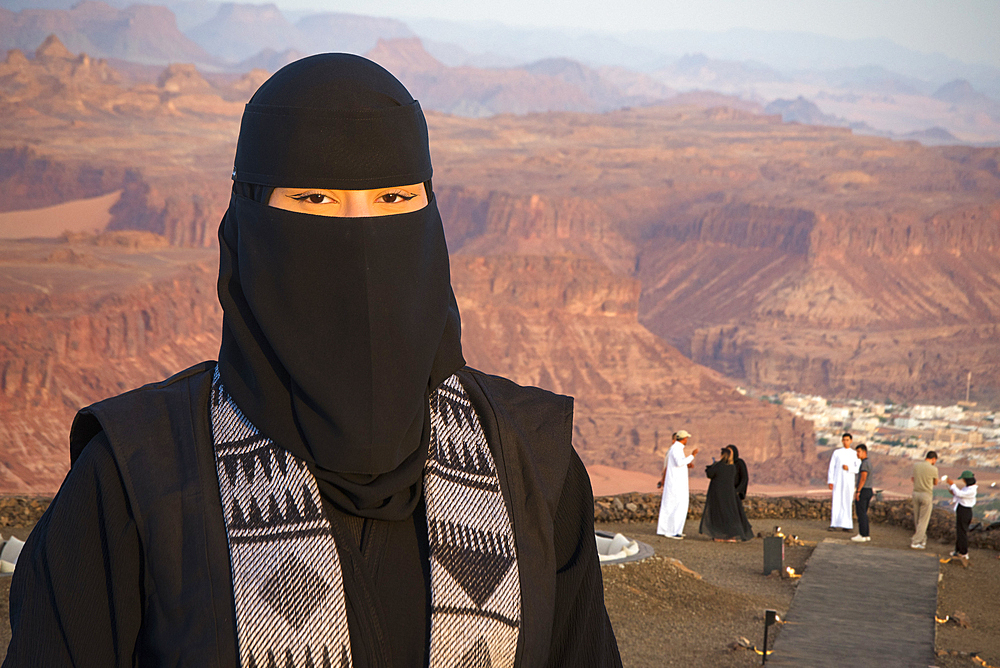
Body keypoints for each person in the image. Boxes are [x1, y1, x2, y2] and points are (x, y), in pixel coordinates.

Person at [4, 54, 622, 667]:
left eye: (393, 197)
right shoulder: (135, 476)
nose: (359, 233)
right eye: (315, 198)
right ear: (249, 218)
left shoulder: (533, 462)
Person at [699, 447, 754, 542]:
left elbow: (710, 474)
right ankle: (731, 537)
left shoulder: (720, 466)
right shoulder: (732, 467)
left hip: (720, 494)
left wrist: (712, 466)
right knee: (730, 515)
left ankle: (720, 536)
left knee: (719, 514)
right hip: (730, 495)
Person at [656, 429, 698, 539]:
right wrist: (692, 456)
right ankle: (672, 531)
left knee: (676, 505)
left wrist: (687, 463)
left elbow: (678, 463)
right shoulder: (675, 449)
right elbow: (679, 462)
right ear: (684, 439)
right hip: (675, 484)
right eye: (686, 438)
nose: (687, 440)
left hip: (678, 483)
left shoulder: (677, 449)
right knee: (676, 506)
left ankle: (672, 530)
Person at [827, 433, 859, 531]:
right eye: (844, 440)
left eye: (847, 440)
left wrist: (848, 468)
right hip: (838, 480)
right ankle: (834, 524)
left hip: (849, 482)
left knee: (847, 501)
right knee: (836, 501)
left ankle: (847, 525)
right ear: (842, 441)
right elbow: (832, 467)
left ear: (851, 441)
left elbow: (857, 468)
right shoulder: (837, 452)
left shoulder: (854, 454)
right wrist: (831, 481)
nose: (845, 442)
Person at [911, 451, 940, 549]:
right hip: (926, 495)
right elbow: (935, 482)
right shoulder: (934, 469)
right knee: (923, 520)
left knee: (917, 518)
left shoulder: (916, 465)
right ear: (933, 459)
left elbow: (913, 478)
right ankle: (916, 541)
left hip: (915, 493)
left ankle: (922, 540)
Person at [949, 470, 978, 561]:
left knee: (962, 532)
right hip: (962, 509)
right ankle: (957, 550)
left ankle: (964, 552)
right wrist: (954, 493)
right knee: (959, 531)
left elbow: (961, 494)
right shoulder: (967, 488)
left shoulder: (971, 490)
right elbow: (960, 496)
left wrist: (953, 485)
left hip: (965, 511)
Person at [851, 444, 872, 543]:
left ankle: (862, 534)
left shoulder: (864, 463)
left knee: (861, 513)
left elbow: (863, 478)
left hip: (864, 490)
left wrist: (858, 491)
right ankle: (866, 534)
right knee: (864, 513)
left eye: (859, 451)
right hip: (868, 489)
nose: (857, 454)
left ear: (864, 452)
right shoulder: (868, 463)